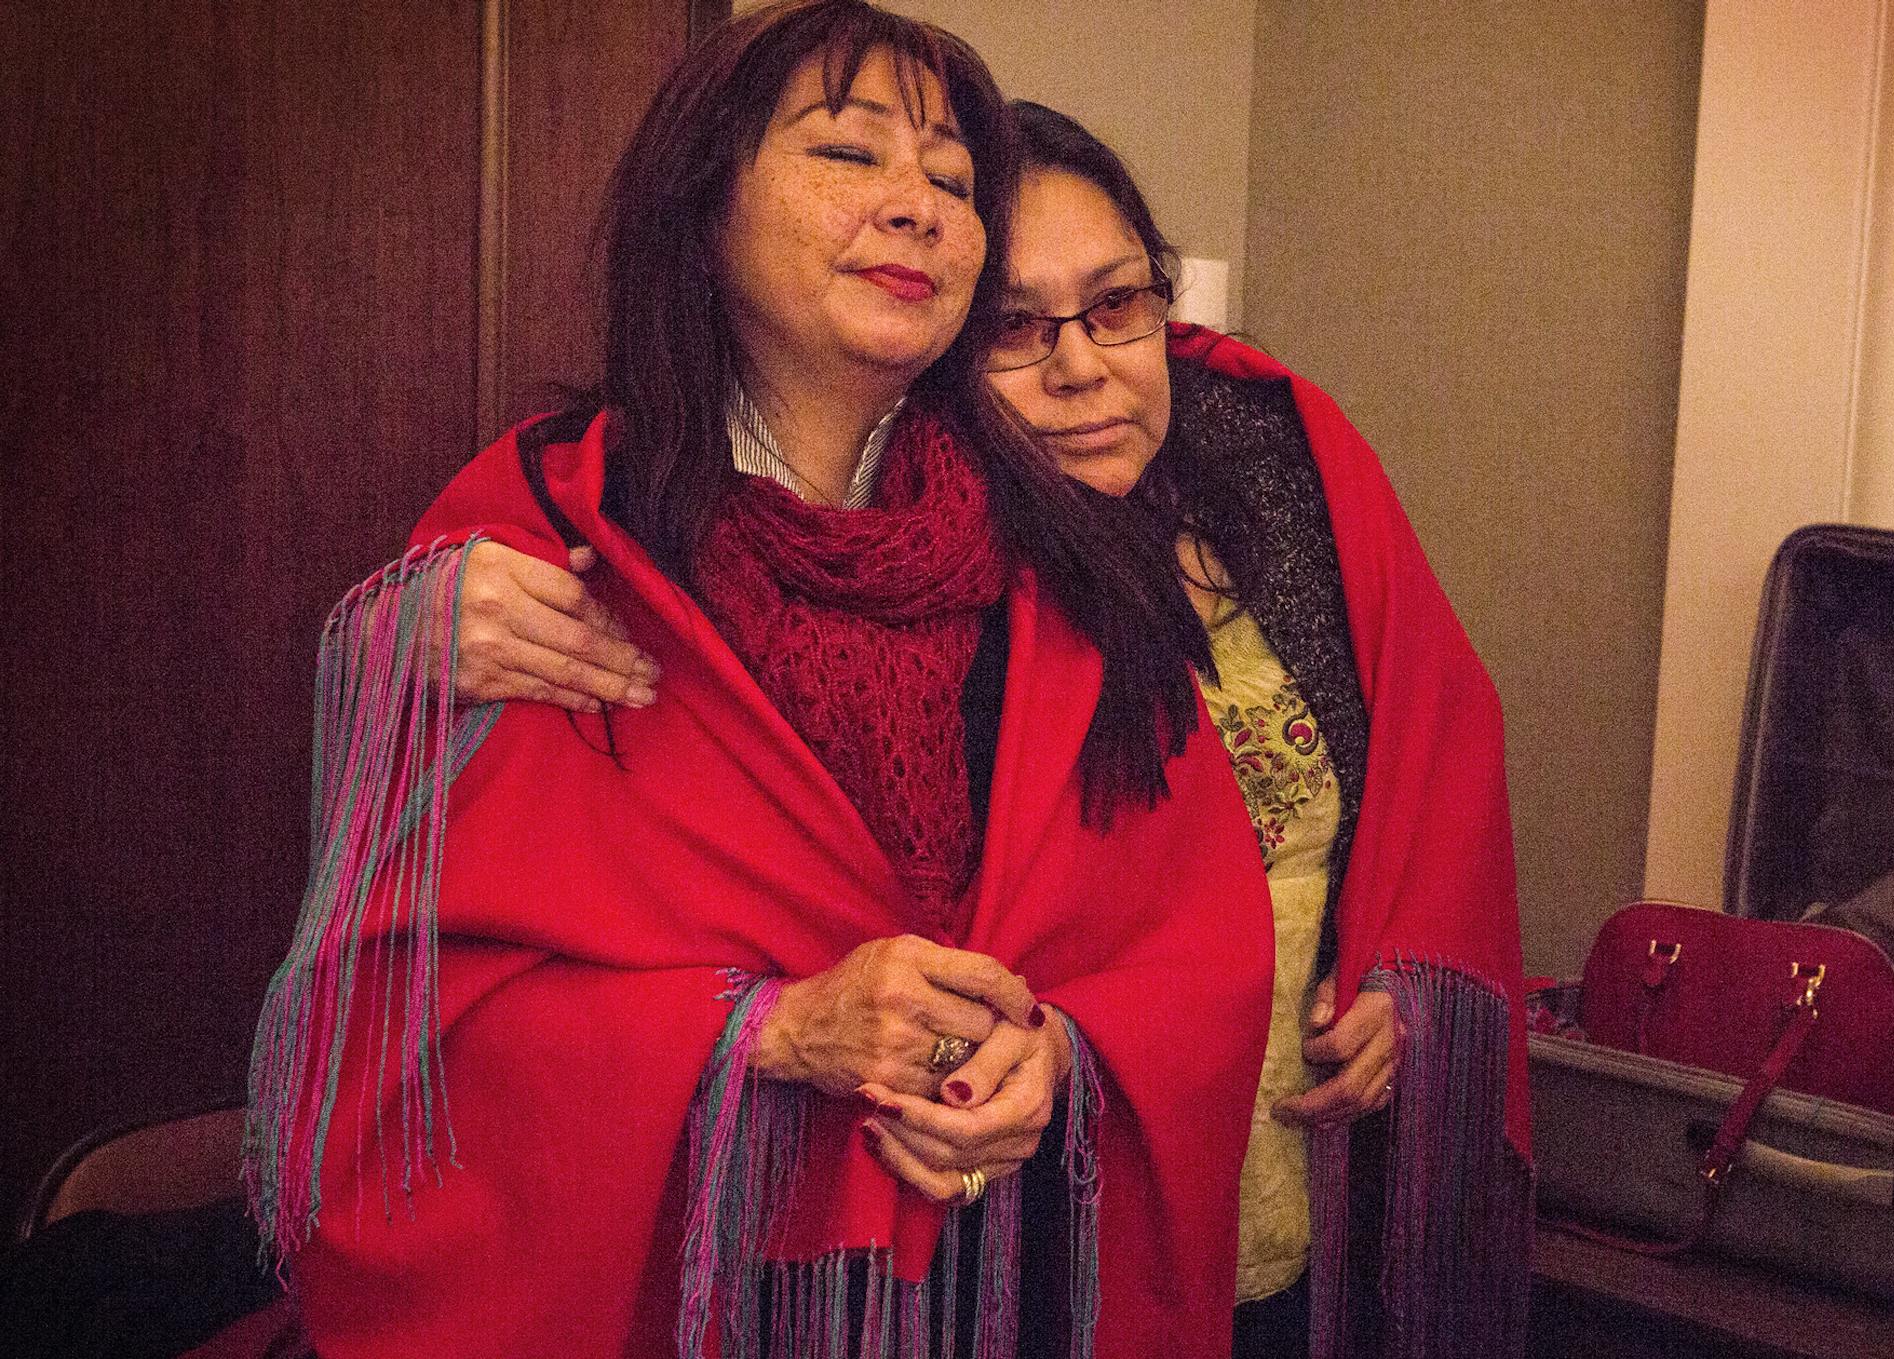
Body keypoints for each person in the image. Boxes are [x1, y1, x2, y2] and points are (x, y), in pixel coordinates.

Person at [420, 93, 1534, 1358]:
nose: (1083, 364)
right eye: (1016, 327)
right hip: (1033, 1223)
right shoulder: (915, 559)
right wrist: (408, 619)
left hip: (1297, 1177)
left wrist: (1393, 967)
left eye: (1119, 304)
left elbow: (1434, 759)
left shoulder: (1275, 456)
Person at [247, 5, 1282, 1357]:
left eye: (955, 182)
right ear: (704, 208)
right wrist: (767, 1034)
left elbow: (1195, 941)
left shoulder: (1078, 563)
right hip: (689, 1287)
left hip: (1006, 1270)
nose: (919, 209)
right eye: (850, 154)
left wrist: (1072, 1052)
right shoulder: (551, 537)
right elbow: (424, 1015)